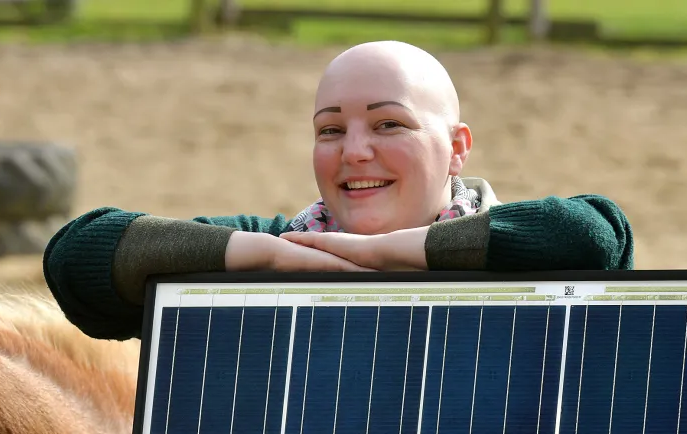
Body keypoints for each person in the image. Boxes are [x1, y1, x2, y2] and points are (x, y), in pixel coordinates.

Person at [43, 40, 634, 341]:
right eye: (331, 130)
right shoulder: (282, 251)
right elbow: (80, 256)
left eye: (388, 124)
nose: (354, 151)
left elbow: (597, 236)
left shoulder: (516, 256)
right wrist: (276, 255)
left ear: (457, 147)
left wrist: (391, 253)